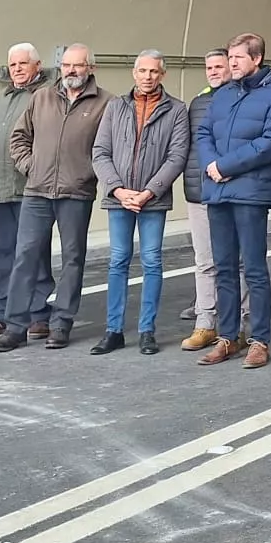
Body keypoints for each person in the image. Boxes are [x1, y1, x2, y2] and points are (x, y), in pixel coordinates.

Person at [0, 44, 109, 352]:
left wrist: (88, 174)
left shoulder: (105, 103)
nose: (71, 70)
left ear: (90, 68)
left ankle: (60, 324)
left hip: (76, 193)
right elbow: (19, 138)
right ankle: (16, 327)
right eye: (67, 65)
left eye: (78, 65)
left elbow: (108, 148)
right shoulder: (41, 98)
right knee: (25, 256)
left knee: (73, 259)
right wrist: (32, 167)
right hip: (37, 192)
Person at [194, 33, 271, 368]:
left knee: (253, 268)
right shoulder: (223, 95)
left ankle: (259, 340)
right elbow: (204, 132)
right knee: (224, 267)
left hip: (250, 192)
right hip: (218, 191)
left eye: (238, 57)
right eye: (230, 57)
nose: (232, 63)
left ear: (257, 59)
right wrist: (211, 165)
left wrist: (225, 166)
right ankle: (228, 337)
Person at [90, 50, 191, 356]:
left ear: (162, 75)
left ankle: (147, 330)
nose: (148, 77)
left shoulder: (176, 110)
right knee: (118, 261)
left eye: (154, 72)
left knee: (152, 261)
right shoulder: (115, 107)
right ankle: (114, 330)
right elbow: (100, 151)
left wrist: (149, 192)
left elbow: (177, 156)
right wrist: (118, 190)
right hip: (119, 199)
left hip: (152, 200)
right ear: (134, 73)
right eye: (142, 71)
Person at [0, 43, 50, 339]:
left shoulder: (45, 97)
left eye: (23, 63)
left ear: (37, 65)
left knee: (33, 253)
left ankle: (38, 313)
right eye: (13, 64)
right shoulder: (0, 99)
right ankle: (2, 312)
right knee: (0, 252)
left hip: (29, 189)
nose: (17, 69)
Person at [178, 49, 231, 351]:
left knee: (236, 262)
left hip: (230, 191)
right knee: (205, 261)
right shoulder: (197, 103)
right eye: (209, 67)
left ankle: (241, 321)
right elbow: (189, 148)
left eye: (219, 66)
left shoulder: (242, 99)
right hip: (199, 192)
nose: (213, 71)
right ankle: (205, 322)